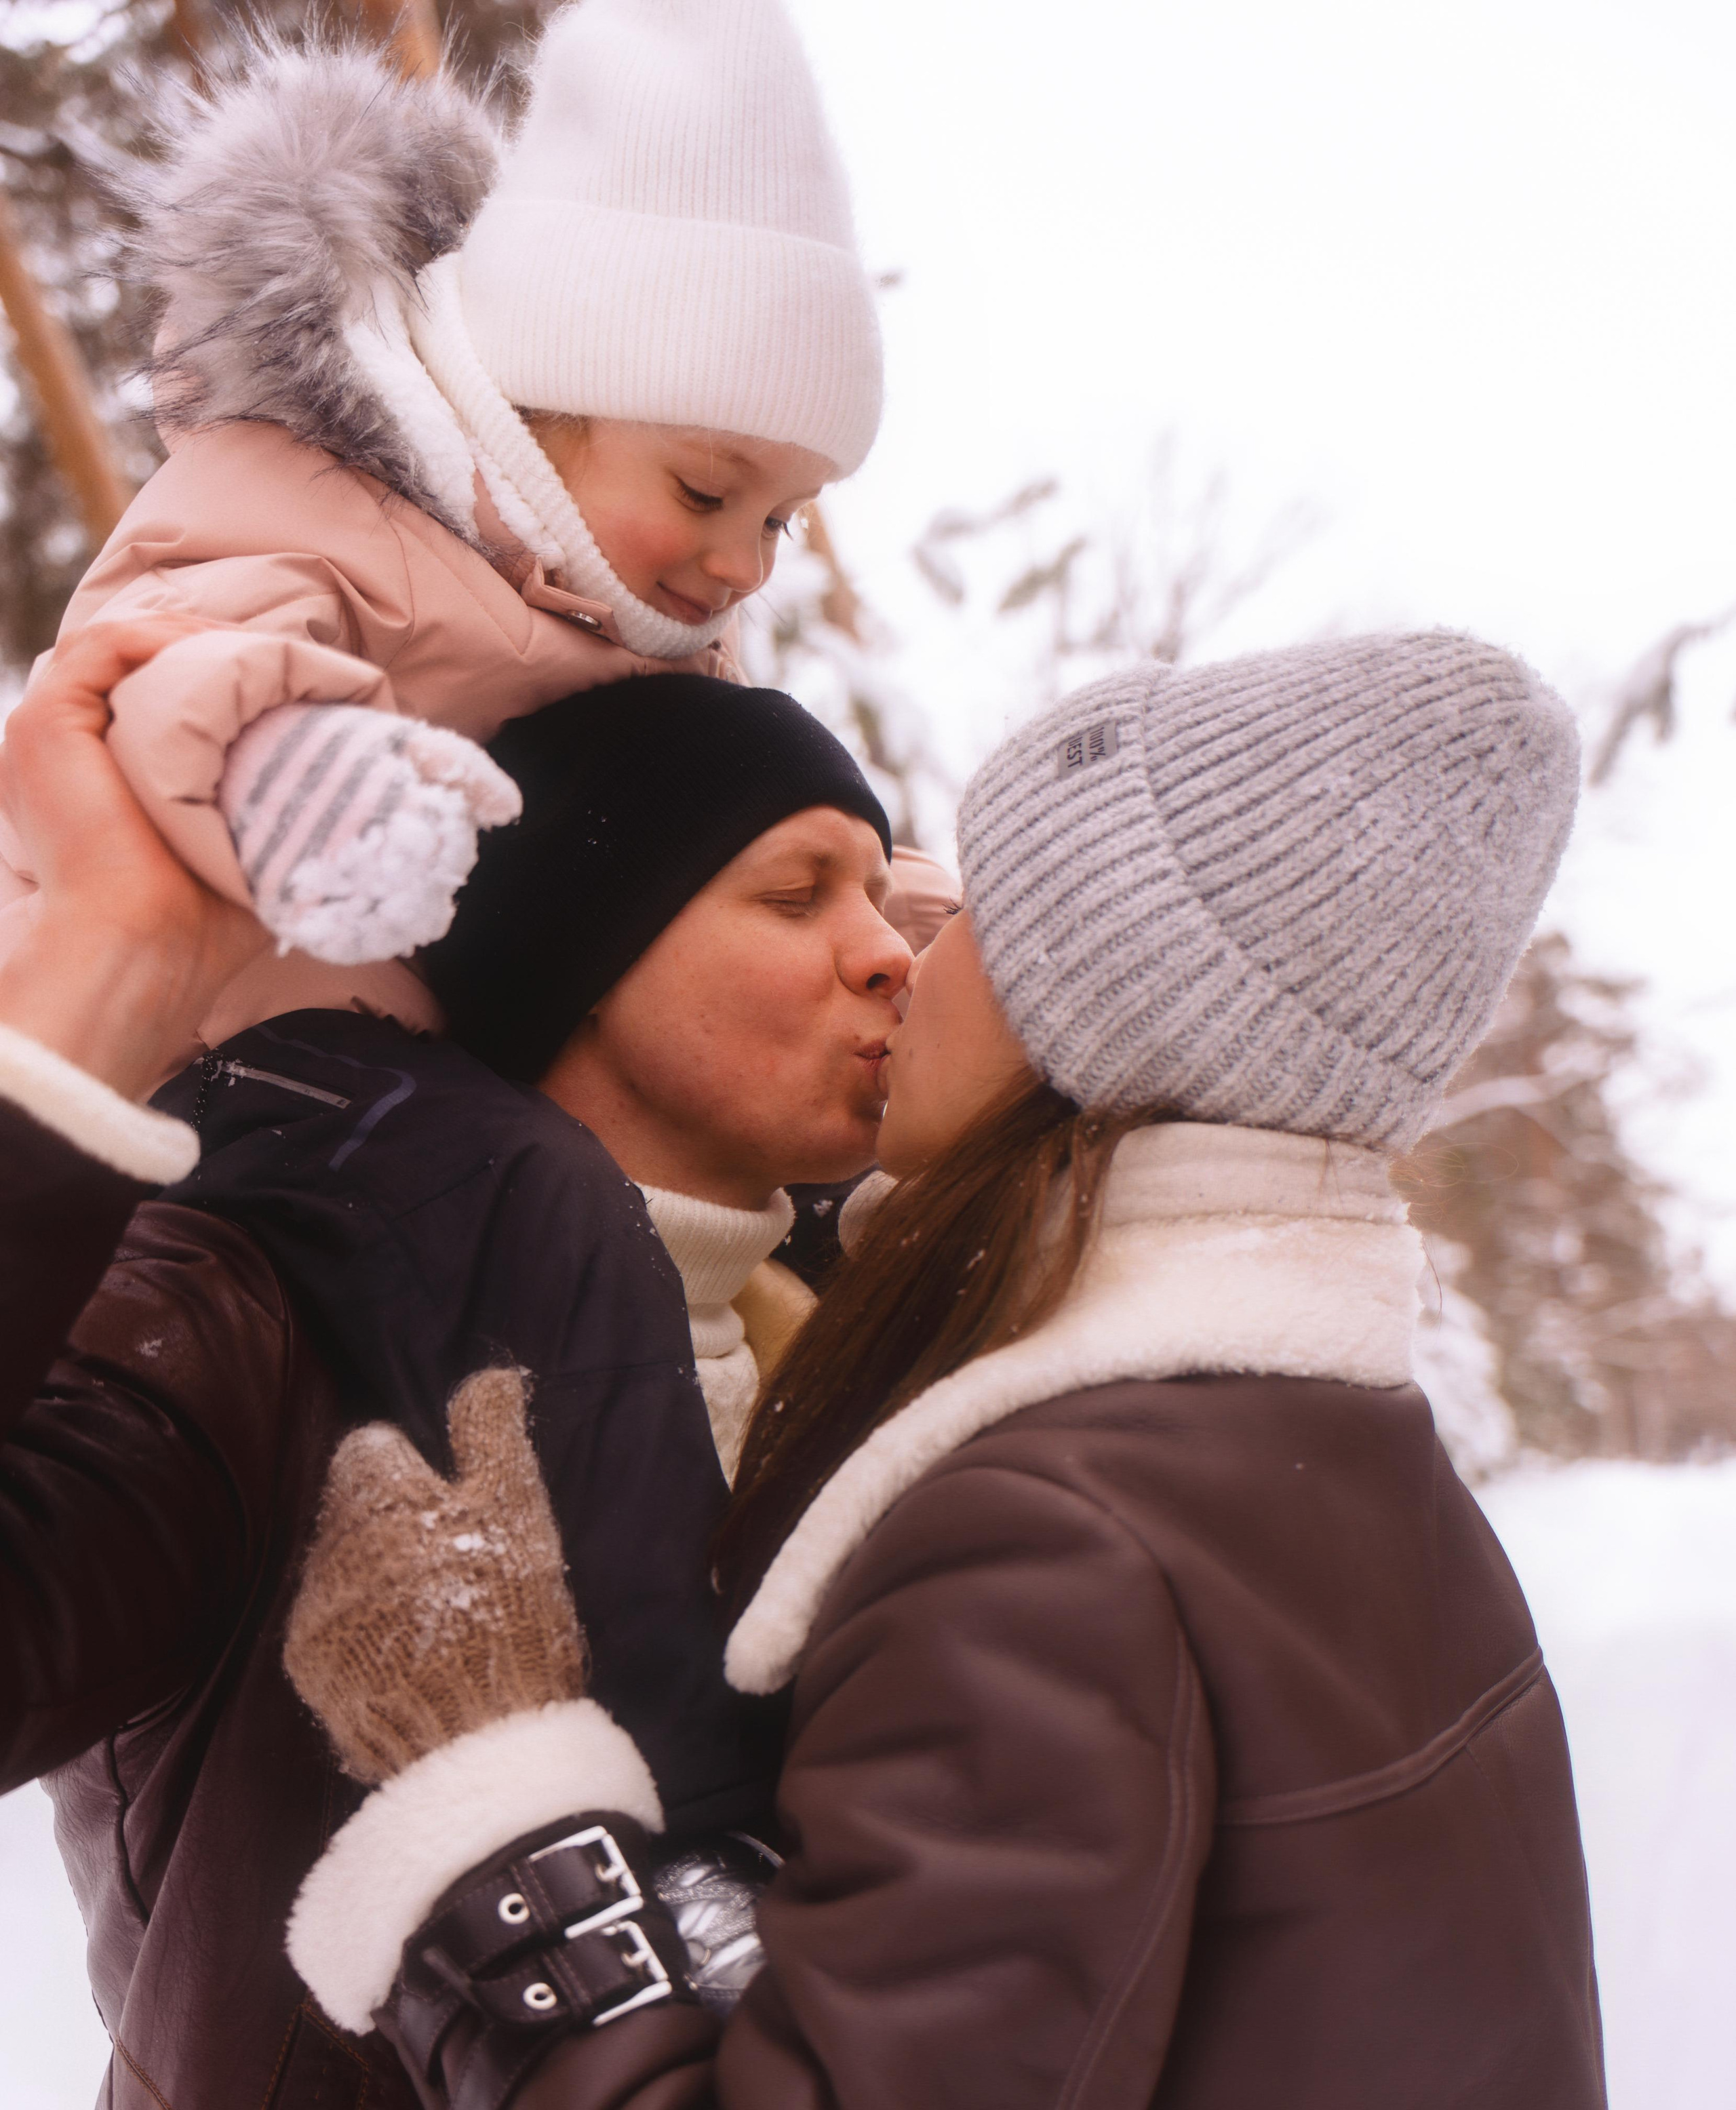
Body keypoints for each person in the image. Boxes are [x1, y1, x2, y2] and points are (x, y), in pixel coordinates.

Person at [283, 632, 1606, 2109]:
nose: (911, 950)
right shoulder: (1330, 1443)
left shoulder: (1050, 1548)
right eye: (805, 897)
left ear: (1089, 1007)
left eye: (979, 915)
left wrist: (501, 1827)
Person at [0, 634, 907, 2109]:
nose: (885, 951)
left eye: (882, 895)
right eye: (797, 892)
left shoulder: (864, 1371)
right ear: (583, 946)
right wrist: (85, 991)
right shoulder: (262, 1310)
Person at [0, 0, 884, 1042]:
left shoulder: (650, 640)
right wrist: (286, 761)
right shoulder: (316, 504)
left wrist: (920, 926)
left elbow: (756, 855)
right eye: (704, 494)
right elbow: (144, 676)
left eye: (783, 520)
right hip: (163, 1055)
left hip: (409, 1098)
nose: (743, 565)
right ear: (537, 412)